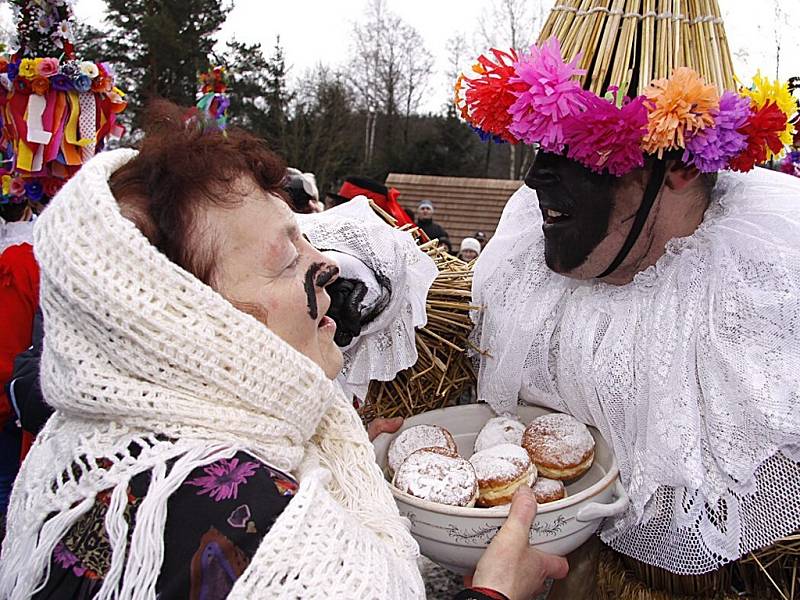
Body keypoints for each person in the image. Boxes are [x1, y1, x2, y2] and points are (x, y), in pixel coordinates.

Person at [0, 102, 567, 599]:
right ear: (189, 322)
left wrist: (320, 464)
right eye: (286, 258)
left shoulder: (88, 449)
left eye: (305, 236)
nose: (325, 264)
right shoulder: (267, 533)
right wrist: (495, 590)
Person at [460, 1, 800, 586]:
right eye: (541, 145)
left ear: (681, 166)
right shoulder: (521, 259)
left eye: (576, 149)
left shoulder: (766, 292)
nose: (534, 179)